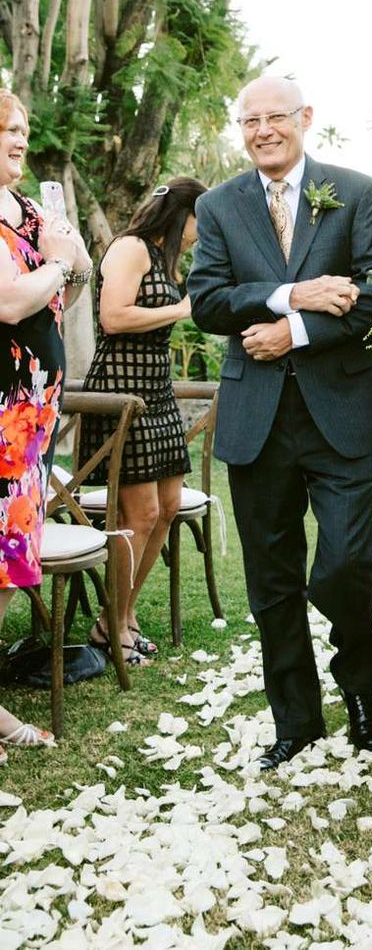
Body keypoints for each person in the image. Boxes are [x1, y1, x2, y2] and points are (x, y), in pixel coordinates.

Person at [188, 76, 372, 770]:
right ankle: (296, 720)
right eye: (251, 121)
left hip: (342, 412)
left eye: (276, 117)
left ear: (305, 118)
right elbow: (208, 302)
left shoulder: (355, 192)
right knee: (272, 580)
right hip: (257, 418)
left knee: (344, 562)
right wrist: (290, 295)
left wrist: (293, 333)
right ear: (240, 130)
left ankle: (361, 691)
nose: (264, 130)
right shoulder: (219, 207)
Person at [78, 177, 206, 666]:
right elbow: (113, 318)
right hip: (119, 390)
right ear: (181, 215)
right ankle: (110, 624)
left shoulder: (165, 257)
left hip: (157, 392)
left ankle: (122, 617)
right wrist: (182, 308)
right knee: (141, 515)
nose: (200, 232)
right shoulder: (131, 248)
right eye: (199, 221)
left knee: (168, 507)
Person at [0, 89, 92, 759]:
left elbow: (82, 269)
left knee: (9, 564)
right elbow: (9, 301)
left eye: (21, 128)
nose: (17, 138)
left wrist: (66, 258)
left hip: (33, 420)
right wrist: (58, 263)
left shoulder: (33, 209)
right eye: (3, 128)